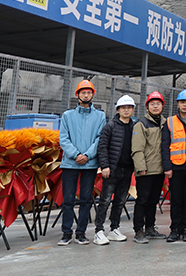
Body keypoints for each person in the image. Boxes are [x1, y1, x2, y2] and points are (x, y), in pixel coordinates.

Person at [57, 79, 106, 246]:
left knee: (86, 199)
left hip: (89, 164)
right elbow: (63, 138)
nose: (86, 95)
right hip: (70, 164)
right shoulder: (67, 116)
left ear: (92, 95)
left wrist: (87, 155)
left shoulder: (100, 116)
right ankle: (66, 233)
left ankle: (81, 233)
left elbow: (100, 138)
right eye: (83, 92)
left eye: (89, 92)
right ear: (77, 95)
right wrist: (76, 154)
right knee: (68, 199)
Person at [93, 95, 135, 245]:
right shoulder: (110, 126)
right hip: (112, 170)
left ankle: (114, 229)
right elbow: (102, 146)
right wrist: (105, 166)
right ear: (118, 110)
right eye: (123, 108)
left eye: (129, 108)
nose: (126, 110)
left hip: (127, 170)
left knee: (120, 201)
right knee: (104, 201)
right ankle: (98, 231)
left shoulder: (134, 127)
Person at [163, 89, 186, 242]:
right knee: (176, 200)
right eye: (182, 102)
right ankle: (175, 229)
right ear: (178, 104)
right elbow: (165, 145)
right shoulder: (170, 121)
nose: (185, 105)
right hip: (176, 167)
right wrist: (167, 167)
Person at [132, 92, 166, 243]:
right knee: (142, 200)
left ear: (162, 106)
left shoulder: (165, 124)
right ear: (147, 107)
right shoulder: (141, 124)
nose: (155, 106)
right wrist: (141, 167)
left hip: (160, 169)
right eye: (152, 104)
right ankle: (139, 230)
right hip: (145, 170)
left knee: (153, 200)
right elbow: (137, 148)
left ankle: (150, 228)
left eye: (158, 104)